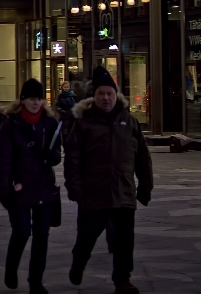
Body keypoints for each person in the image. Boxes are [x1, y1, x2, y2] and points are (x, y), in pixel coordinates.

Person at [65, 68, 153, 294]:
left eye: (109, 94)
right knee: (87, 236)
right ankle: (79, 262)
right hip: (93, 193)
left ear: (116, 95)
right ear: (94, 96)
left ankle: (122, 281)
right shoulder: (84, 123)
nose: (105, 98)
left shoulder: (129, 121)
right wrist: (74, 186)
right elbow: (73, 157)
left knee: (125, 241)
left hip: (123, 192)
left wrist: (145, 186)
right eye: (101, 94)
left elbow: (143, 156)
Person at [0, 79, 62, 294]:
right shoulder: (11, 125)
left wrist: (52, 155)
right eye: (32, 98)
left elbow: (56, 155)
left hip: (43, 186)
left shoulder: (50, 123)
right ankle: (11, 269)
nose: (36, 102)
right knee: (22, 231)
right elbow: (4, 159)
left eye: (39, 98)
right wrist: (5, 190)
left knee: (42, 235)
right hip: (20, 187)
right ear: (23, 100)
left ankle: (36, 281)